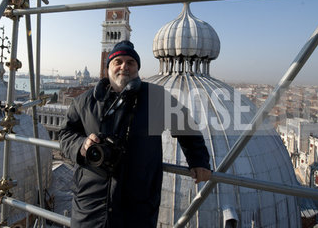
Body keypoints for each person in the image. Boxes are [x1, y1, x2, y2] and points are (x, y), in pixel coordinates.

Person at [59, 40, 211, 228]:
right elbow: (66, 134)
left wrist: (199, 161)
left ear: (137, 69)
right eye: (118, 62)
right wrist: (81, 145)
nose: (124, 66)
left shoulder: (156, 98)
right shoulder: (84, 101)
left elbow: (186, 125)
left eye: (130, 62)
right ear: (109, 67)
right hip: (90, 205)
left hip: (136, 207)